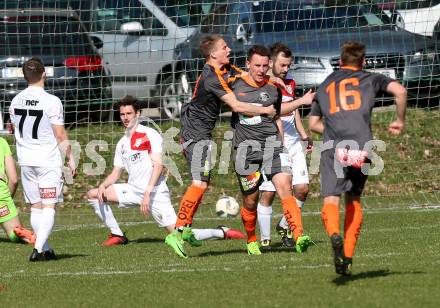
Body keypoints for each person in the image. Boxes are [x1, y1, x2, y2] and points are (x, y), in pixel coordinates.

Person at [165, 34, 277, 258]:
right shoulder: (211, 77)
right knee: (198, 183)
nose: (228, 49)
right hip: (194, 133)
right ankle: (177, 232)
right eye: (224, 47)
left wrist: (276, 80)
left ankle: (185, 228)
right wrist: (265, 110)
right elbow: (236, 105)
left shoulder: (225, 69)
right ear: (213, 53)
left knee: (203, 182)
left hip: (201, 133)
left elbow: (247, 75)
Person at [86, 96, 245, 250]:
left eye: (129, 114)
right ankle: (117, 235)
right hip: (133, 189)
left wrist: (148, 193)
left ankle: (221, 232)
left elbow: (158, 166)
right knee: (93, 194)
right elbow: (116, 172)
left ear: (138, 114)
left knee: (181, 235)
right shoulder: (122, 143)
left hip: (154, 193)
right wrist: (103, 185)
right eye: (122, 114)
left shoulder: (150, 134)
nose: (125, 117)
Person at [309, 41, 407, 275]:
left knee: (330, 199)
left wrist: (333, 131)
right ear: (362, 62)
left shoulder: (324, 84)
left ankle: (334, 235)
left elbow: (313, 124)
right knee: (353, 199)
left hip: (333, 146)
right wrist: (399, 120)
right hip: (361, 146)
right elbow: (401, 91)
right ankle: (348, 258)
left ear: (340, 61)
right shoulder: (371, 78)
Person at [231, 45, 314, 255]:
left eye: (264, 65)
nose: (260, 69)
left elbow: (277, 116)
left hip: (271, 145)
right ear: (248, 64)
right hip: (246, 149)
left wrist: (282, 143)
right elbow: (232, 106)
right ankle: (251, 239)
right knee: (251, 200)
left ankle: (299, 235)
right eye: (256, 65)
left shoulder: (273, 88)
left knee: (285, 184)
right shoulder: (236, 86)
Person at [9, 57, 76, 261]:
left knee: (36, 206)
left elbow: (14, 130)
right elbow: (60, 135)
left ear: (24, 76)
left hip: (26, 160)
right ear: (44, 74)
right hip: (47, 160)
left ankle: (45, 249)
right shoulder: (51, 101)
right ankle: (38, 249)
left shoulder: (15, 100)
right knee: (49, 206)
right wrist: (71, 157)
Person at [257, 43, 314, 249]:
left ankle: (285, 225)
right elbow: (277, 112)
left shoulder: (289, 83)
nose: (286, 69)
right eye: (282, 65)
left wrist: (304, 135)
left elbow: (294, 112)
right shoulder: (264, 86)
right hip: (273, 142)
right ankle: (264, 239)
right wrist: (301, 101)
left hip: (294, 142)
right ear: (271, 62)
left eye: (289, 65)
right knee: (270, 193)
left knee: (302, 189)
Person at [0, 137, 35, 244]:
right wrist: (6, 199)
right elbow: (14, 179)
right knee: (13, 233)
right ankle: (20, 234)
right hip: (1, 192)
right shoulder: (2, 142)